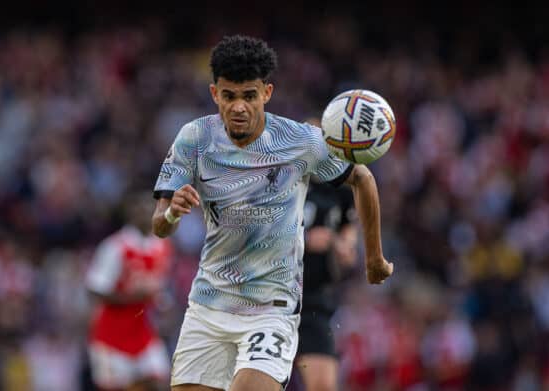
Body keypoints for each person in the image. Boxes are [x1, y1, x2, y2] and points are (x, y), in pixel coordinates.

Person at [152, 35, 393, 391]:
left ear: (266, 92)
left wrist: (374, 258)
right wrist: (172, 213)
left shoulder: (300, 141)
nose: (238, 107)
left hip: (271, 309)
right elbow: (159, 225)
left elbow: (363, 178)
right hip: (208, 306)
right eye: (229, 96)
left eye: (249, 96)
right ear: (214, 93)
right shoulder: (194, 138)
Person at [86, 192, 173, 391]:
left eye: (148, 208)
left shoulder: (162, 246)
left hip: (142, 331)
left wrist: (162, 304)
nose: (145, 213)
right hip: (112, 333)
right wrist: (132, 298)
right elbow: (95, 290)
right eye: (139, 208)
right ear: (130, 213)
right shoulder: (115, 247)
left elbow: (158, 288)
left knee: (158, 381)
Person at [294, 178, 359, 391]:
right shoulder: (280, 172)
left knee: (324, 385)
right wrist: (303, 238)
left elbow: (349, 237)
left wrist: (344, 247)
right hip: (270, 295)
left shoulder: (341, 186)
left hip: (314, 299)